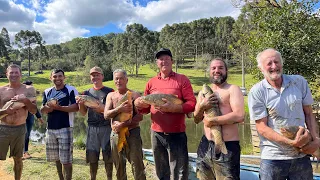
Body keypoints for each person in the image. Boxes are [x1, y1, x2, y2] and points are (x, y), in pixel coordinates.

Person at [248, 48, 320, 180]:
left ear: (282, 63)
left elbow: (309, 114)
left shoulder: (299, 82)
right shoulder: (257, 91)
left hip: (301, 156)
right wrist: (290, 142)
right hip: (273, 158)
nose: (274, 66)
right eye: (269, 63)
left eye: (277, 62)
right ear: (261, 68)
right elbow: (262, 128)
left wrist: (315, 140)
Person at [134, 48, 196, 180]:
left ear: (172, 61)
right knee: (161, 172)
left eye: (167, 58)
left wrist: (174, 108)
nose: (164, 61)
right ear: (157, 62)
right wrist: (139, 105)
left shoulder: (182, 79)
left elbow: (192, 103)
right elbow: (145, 110)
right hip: (156, 134)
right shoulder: (151, 82)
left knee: (179, 173)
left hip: (177, 134)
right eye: (161, 59)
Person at [193, 58, 245, 180]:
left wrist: (213, 121)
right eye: (214, 68)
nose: (217, 71)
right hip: (205, 146)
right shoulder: (202, 93)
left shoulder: (232, 89)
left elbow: (239, 115)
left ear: (226, 71)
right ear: (209, 72)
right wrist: (202, 106)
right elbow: (196, 119)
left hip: (228, 146)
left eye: (221, 68)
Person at [104, 69, 146, 180]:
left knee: (137, 164)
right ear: (114, 81)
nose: (119, 81)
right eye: (116, 78)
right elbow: (106, 115)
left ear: (126, 80)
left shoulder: (134, 95)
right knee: (119, 166)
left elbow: (139, 117)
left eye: (121, 78)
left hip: (132, 133)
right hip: (115, 134)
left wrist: (123, 124)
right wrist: (119, 108)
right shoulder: (111, 95)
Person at [0, 64, 37, 180]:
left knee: (18, 159)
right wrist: (5, 111)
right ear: (7, 74)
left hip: (20, 128)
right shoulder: (1, 90)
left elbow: (34, 110)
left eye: (16, 72)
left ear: (21, 74)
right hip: (3, 128)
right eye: (11, 72)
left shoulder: (29, 89)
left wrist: (25, 100)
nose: (14, 75)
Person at [40, 69, 79, 180]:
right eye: (55, 76)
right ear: (51, 78)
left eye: (60, 76)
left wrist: (59, 108)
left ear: (64, 77)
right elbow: (42, 109)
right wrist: (47, 108)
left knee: (66, 160)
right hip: (51, 128)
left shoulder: (71, 90)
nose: (57, 78)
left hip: (65, 127)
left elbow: (76, 107)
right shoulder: (47, 91)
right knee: (56, 158)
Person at [77, 66, 114, 180]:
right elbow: (83, 113)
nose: (95, 77)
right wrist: (80, 103)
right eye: (93, 75)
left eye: (97, 74)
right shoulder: (86, 92)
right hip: (92, 128)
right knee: (92, 157)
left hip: (107, 127)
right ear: (90, 77)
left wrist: (102, 109)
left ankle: (109, 178)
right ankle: (93, 177)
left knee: (108, 157)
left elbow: (114, 111)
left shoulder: (110, 92)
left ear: (102, 76)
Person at [22, 80, 44, 160]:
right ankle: (20, 152)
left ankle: (25, 152)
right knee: (22, 134)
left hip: (30, 117)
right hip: (21, 118)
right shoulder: (19, 94)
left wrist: (40, 118)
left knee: (27, 135)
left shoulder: (32, 96)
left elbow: (35, 107)